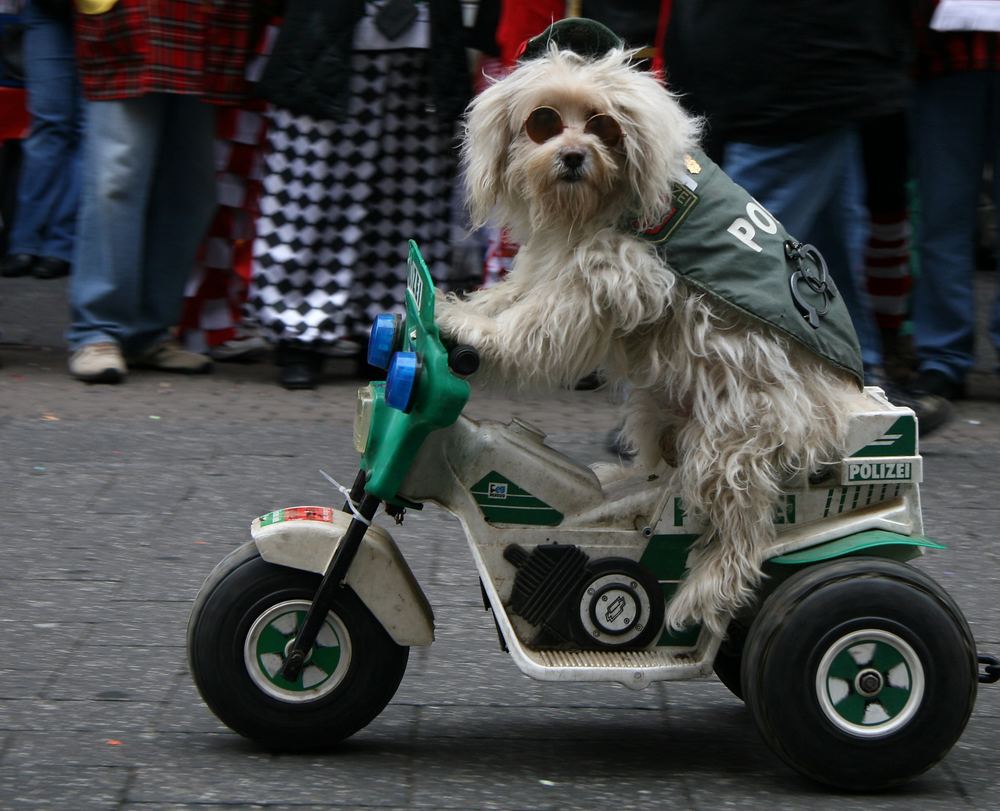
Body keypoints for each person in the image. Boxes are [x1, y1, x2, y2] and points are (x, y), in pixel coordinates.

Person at [662, 0, 952, 434]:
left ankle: (857, 387)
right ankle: (673, 404)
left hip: (791, 66)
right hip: (807, 68)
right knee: (737, 252)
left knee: (821, 247)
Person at [246, 0, 472, 389]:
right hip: (327, 36)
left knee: (405, 203)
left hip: (424, 42)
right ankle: (300, 333)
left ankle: (383, 332)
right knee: (311, 195)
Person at [65, 0, 256, 384]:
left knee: (190, 187)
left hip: (206, 18)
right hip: (131, 13)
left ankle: (149, 331)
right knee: (116, 177)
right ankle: (98, 330)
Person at [907, 0, 1000, 401]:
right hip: (940, 56)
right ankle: (942, 357)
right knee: (942, 217)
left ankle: (943, 358)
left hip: (941, 55)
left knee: (943, 219)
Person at [0, 0, 80, 281]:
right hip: (48, 9)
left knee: (83, 132)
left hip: (105, 14)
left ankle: (61, 245)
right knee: (48, 123)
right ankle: (25, 242)